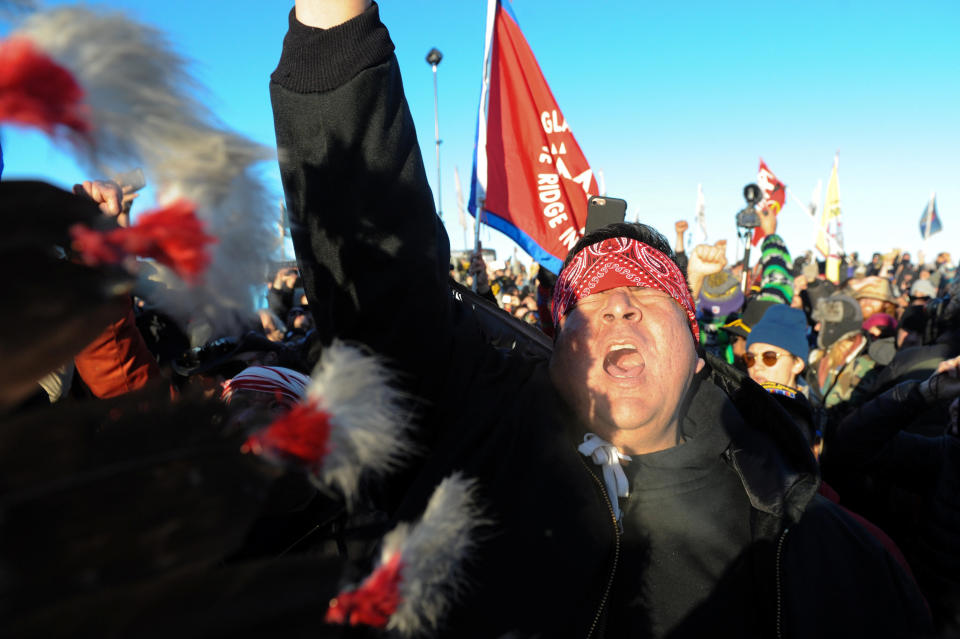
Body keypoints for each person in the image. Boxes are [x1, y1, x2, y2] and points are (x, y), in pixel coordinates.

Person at [270, 2, 930, 635]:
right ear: (553, 351)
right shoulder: (468, 448)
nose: (617, 300)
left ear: (698, 349)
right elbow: (375, 259)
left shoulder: (812, 540)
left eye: (647, 291)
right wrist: (335, 29)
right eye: (586, 296)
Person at [744, 304, 808, 392]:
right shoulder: (734, 402)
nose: (756, 366)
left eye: (769, 357)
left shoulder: (811, 405)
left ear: (797, 364)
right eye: (750, 358)